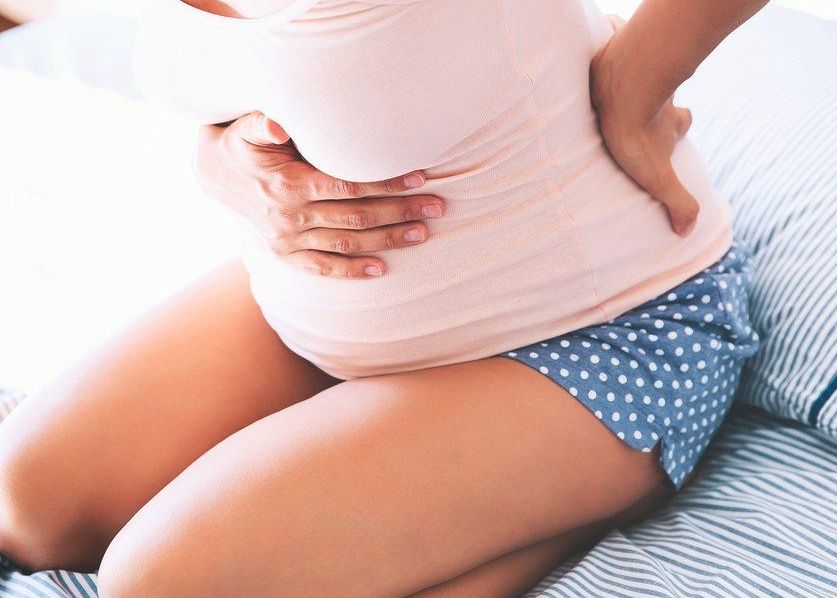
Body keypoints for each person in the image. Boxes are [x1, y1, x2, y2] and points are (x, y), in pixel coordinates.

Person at [0, 1, 767, 595]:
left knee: (161, 583)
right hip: (325, 310)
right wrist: (224, 160)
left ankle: (580, 506)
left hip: (602, 331)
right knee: (31, 503)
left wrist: (636, 81)